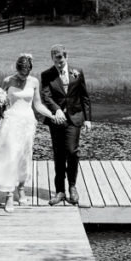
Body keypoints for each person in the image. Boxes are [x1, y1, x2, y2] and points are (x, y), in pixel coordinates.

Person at [0, 53, 55, 213]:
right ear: (17, 69)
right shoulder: (8, 81)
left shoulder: (34, 81)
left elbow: (38, 104)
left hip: (28, 124)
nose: (24, 76)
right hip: (11, 122)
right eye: (21, 73)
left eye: (26, 73)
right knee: (11, 156)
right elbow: (1, 101)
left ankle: (20, 189)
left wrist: (52, 115)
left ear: (30, 70)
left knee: (24, 157)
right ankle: (8, 195)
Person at [40, 44, 92, 206]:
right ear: (52, 59)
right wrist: (56, 110)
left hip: (75, 118)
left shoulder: (77, 73)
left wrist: (88, 119)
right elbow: (46, 96)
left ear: (66, 57)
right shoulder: (47, 75)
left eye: (61, 59)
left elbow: (84, 97)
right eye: (56, 60)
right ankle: (60, 191)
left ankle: (72, 187)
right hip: (56, 120)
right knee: (59, 154)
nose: (59, 63)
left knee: (72, 151)